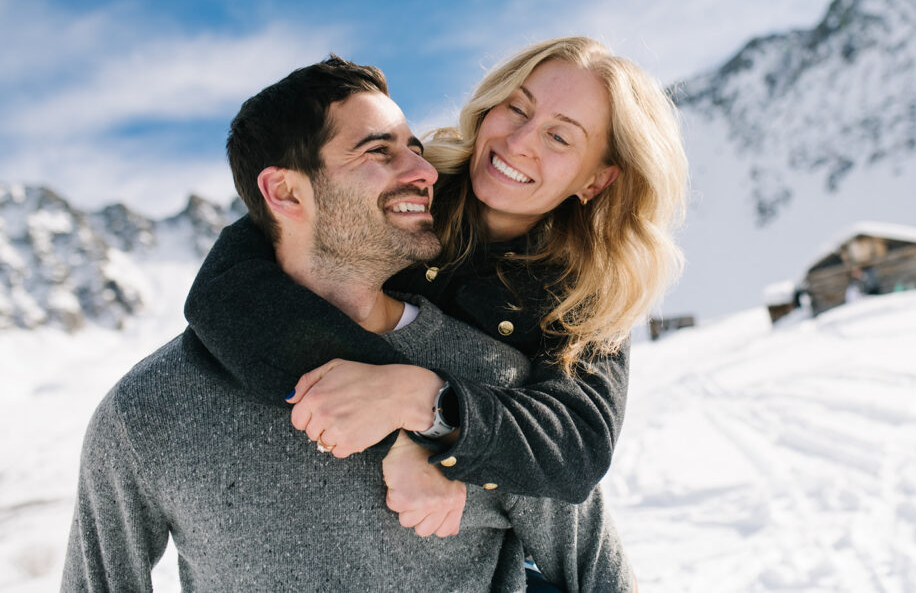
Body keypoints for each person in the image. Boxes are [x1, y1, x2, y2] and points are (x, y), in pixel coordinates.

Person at [63, 56, 634, 591]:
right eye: (379, 151)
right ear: (285, 191)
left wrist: (435, 417)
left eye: (414, 148)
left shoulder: (502, 396)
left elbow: (593, 540)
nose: (425, 171)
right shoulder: (148, 412)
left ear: (595, 181)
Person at [183, 37, 688, 531]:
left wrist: (429, 406)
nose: (517, 143)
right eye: (517, 108)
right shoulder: (410, 188)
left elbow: (576, 445)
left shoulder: (593, 290)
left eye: (559, 137)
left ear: (595, 182)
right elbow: (230, 289)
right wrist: (401, 434)